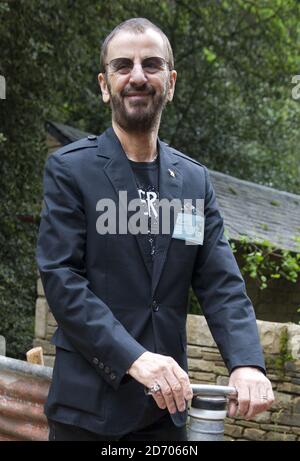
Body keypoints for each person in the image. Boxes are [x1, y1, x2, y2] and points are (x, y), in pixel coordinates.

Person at [36, 17, 274, 442]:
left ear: (171, 81)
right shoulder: (71, 170)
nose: (138, 76)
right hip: (86, 414)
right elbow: (61, 280)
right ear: (105, 84)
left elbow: (220, 283)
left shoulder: (194, 182)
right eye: (123, 65)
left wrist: (247, 363)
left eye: (152, 64)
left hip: (164, 416)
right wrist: (136, 358)